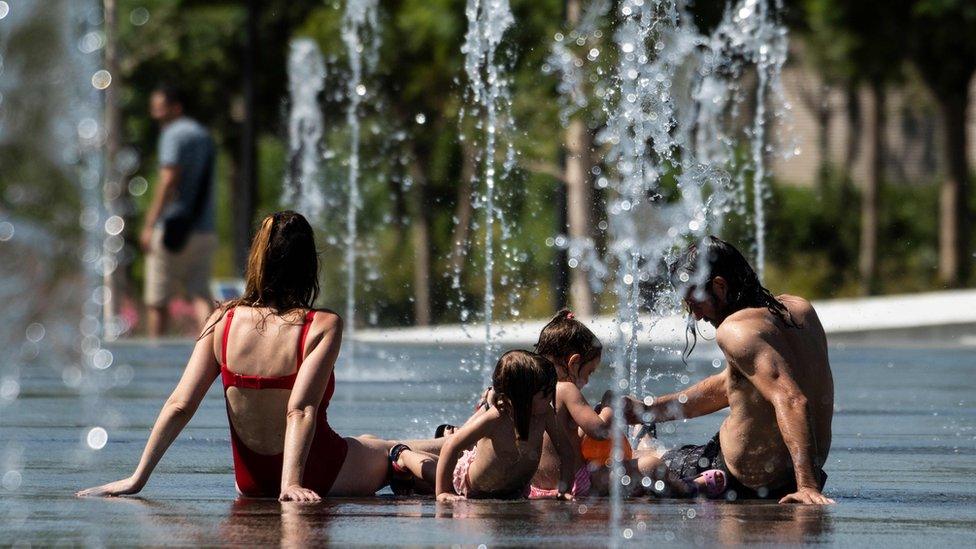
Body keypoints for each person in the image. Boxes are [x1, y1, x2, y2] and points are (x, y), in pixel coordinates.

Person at [78, 211, 444, 501]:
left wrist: (136, 478)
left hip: (250, 481)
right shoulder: (322, 325)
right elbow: (300, 410)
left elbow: (179, 404)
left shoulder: (222, 319)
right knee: (381, 449)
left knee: (365, 442)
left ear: (258, 261)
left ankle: (448, 439)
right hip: (315, 471)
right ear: (308, 266)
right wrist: (292, 484)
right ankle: (453, 442)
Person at [650, 235, 835, 504]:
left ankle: (644, 439)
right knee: (652, 443)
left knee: (640, 466)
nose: (696, 316)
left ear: (720, 286)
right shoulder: (800, 309)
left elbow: (792, 399)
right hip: (787, 477)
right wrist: (648, 410)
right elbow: (732, 387)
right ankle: (642, 422)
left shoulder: (735, 331)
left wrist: (807, 486)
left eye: (695, 304)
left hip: (731, 476)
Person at [528, 310, 725, 499]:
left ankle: (643, 455)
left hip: (538, 488)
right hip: (578, 484)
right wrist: (608, 404)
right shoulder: (565, 389)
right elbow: (599, 430)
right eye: (589, 372)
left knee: (623, 456)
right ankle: (688, 487)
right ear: (573, 363)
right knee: (651, 466)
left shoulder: (531, 390)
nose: (587, 381)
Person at [391, 350, 578, 501]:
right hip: (470, 486)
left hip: (511, 492)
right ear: (522, 397)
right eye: (545, 394)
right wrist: (443, 492)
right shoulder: (495, 419)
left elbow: (566, 452)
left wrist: (564, 488)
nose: (551, 399)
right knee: (433, 469)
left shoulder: (545, 415)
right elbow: (451, 445)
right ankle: (403, 455)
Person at [141, 84, 217, 338]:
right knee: (200, 294)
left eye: (160, 109)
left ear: (176, 108)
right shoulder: (203, 135)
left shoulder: (173, 135)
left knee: (157, 300)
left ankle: (156, 358)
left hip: (172, 228)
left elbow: (168, 178)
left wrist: (150, 223)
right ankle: (210, 354)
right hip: (205, 228)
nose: (155, 115)